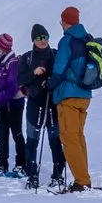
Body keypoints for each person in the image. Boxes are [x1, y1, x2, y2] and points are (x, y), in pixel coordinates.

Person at [51, 7, 102, 192]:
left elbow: (60, 67)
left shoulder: (67, 40)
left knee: (69, 138)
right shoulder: (86, 38)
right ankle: (83, 177)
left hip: (69, 95)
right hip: (85, 95)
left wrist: (51, 84)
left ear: (65, 22)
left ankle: (82, 181)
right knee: (78, 137)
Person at [18, 24, 60, 189]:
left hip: (53, 102)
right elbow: (19, 80)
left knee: (55, 140)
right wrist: (33, 74)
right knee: (32, 140)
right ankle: (32, 174)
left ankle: (58, 173)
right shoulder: (27, 58)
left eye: (45, 37)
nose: (42, 41)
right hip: (35, 102)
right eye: (39, 38)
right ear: (33, 40)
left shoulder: (56, 55)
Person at [0, 33, 25, 177]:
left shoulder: (12, 62)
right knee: (2, 134)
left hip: (14, 103)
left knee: (16, 133)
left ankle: (21, 164)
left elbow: (11, 87)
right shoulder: (1, 62)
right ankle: (2, 164)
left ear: (2, 47)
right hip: (3, 103)